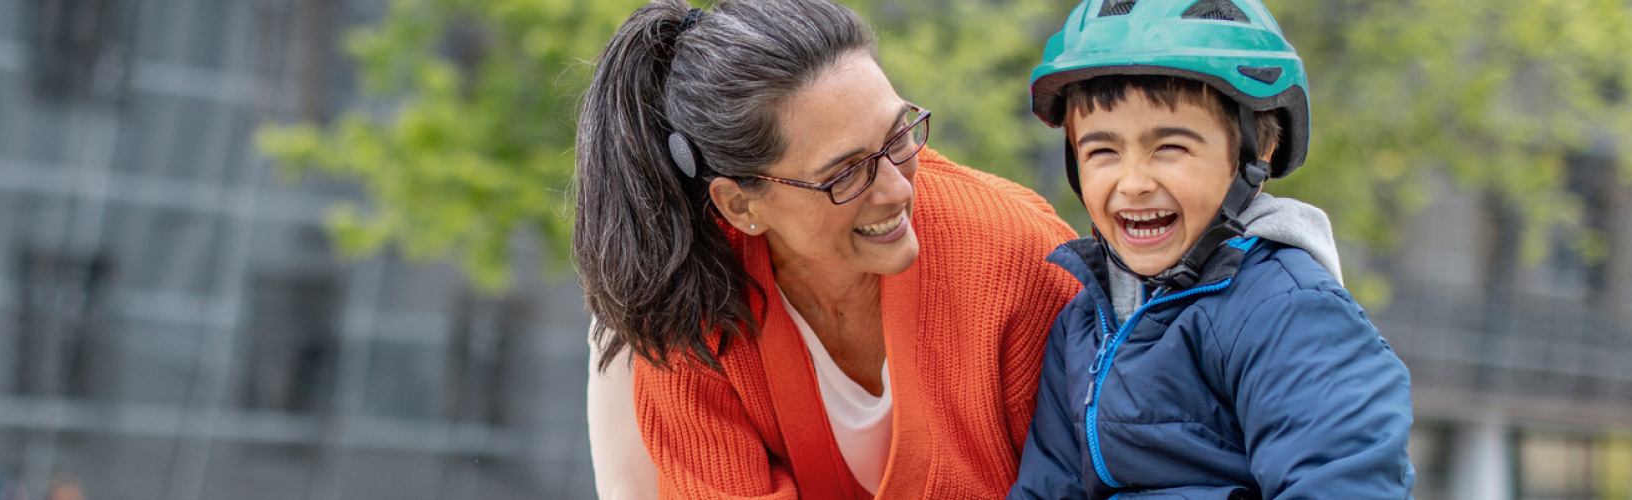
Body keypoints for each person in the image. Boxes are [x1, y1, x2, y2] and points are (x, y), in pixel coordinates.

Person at [572, 0, 1082, 498]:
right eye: (846, 172)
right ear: (740, 205)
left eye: (898, 135)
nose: (899, 190)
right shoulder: (692, 301)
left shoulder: (1018, 259)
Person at [1006, 0, 1415, 498]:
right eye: (1102, 151)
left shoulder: (1287, 312)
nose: (1133, 182)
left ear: (1254, 155)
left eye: (1170, 148)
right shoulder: (1083, 322)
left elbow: (1344, 481)